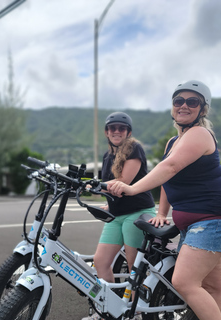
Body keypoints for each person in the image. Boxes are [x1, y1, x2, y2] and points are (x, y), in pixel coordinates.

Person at [107, 80, 221, 320]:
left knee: (185, 282)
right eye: (178, 101)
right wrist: (161, 213)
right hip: (195, 223)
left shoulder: (200, 134)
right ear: (172, 107)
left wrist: (131, 188)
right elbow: (168, 180)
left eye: (192, 102)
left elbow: (170, 167)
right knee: (212, 288)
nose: (184, 105)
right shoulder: (173, 142)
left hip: (215, 217)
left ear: (202, 109)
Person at [82, 112, 156, 320]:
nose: (116, 131)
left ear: (128, 132)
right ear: (106, 132)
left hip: (137, 213)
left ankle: (136, 310)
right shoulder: (107, 156)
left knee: (135, 267)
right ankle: (110, 306)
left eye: (121, 128)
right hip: (116, 215)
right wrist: (92, 187)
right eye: (112, 128)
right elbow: (107, 186)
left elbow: (123, 182)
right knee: (101, 261)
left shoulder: (134, 148)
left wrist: (94, 186)